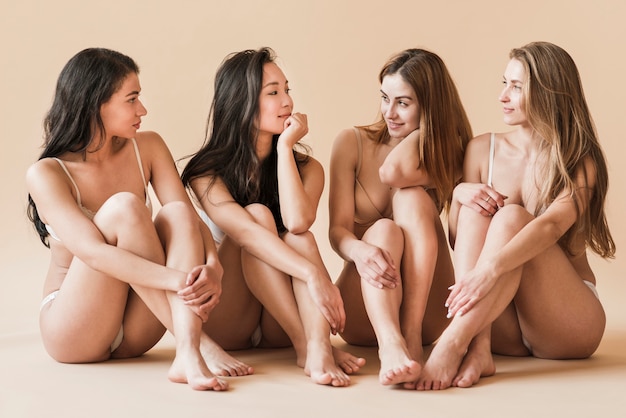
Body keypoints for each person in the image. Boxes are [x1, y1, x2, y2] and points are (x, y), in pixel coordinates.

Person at [26, 47, 253, 391]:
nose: (142, 110)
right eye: (131, 99)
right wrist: (180, 281)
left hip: (140, 324)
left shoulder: (146, 146)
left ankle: (187, 351)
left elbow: (190, 221)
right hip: (74, 327)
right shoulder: (47, 173)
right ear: (95, 104)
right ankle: (198, 344)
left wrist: (213, 267)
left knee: (175, 212)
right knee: (125, 208)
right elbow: (94, 253)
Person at [410, 41, 616, 391]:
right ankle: (478, 350)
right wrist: (459, 195)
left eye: (517, 87)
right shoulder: (481, 149)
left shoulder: (578, 160)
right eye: (504, 83)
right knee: (478, 208)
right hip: (496, 324)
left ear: (550, 92)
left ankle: (452, 342)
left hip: (566, 324)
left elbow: (551, 226)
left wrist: (491, 270)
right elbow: (460, 239)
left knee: (511, 218)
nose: (503, 96)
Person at [180, 47, 365, 387]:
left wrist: (283, 149)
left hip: (277, 319)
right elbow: (249, 235)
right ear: (242, 102)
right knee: (258, 217)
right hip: (228, 318)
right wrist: (313, 274)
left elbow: (297, 223)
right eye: (273, 93)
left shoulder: (309, 170)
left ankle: (317, 346)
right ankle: (307, 345)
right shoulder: (206, 172)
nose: (287, 102)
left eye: (287, 90)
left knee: (300, 237)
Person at [328, 48, 473, 386]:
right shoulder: (352, 142)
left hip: (428, 318)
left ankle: (407, 335)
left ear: (430, 107)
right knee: (383, 231)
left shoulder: (449, 153)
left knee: (410, 198)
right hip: (363, 310)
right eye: (384, 98)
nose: (389, 113)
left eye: (403, 103)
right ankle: (391, 344)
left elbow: (396, 172)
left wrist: (424, 135)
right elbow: (337, 231)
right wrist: (360, 251)